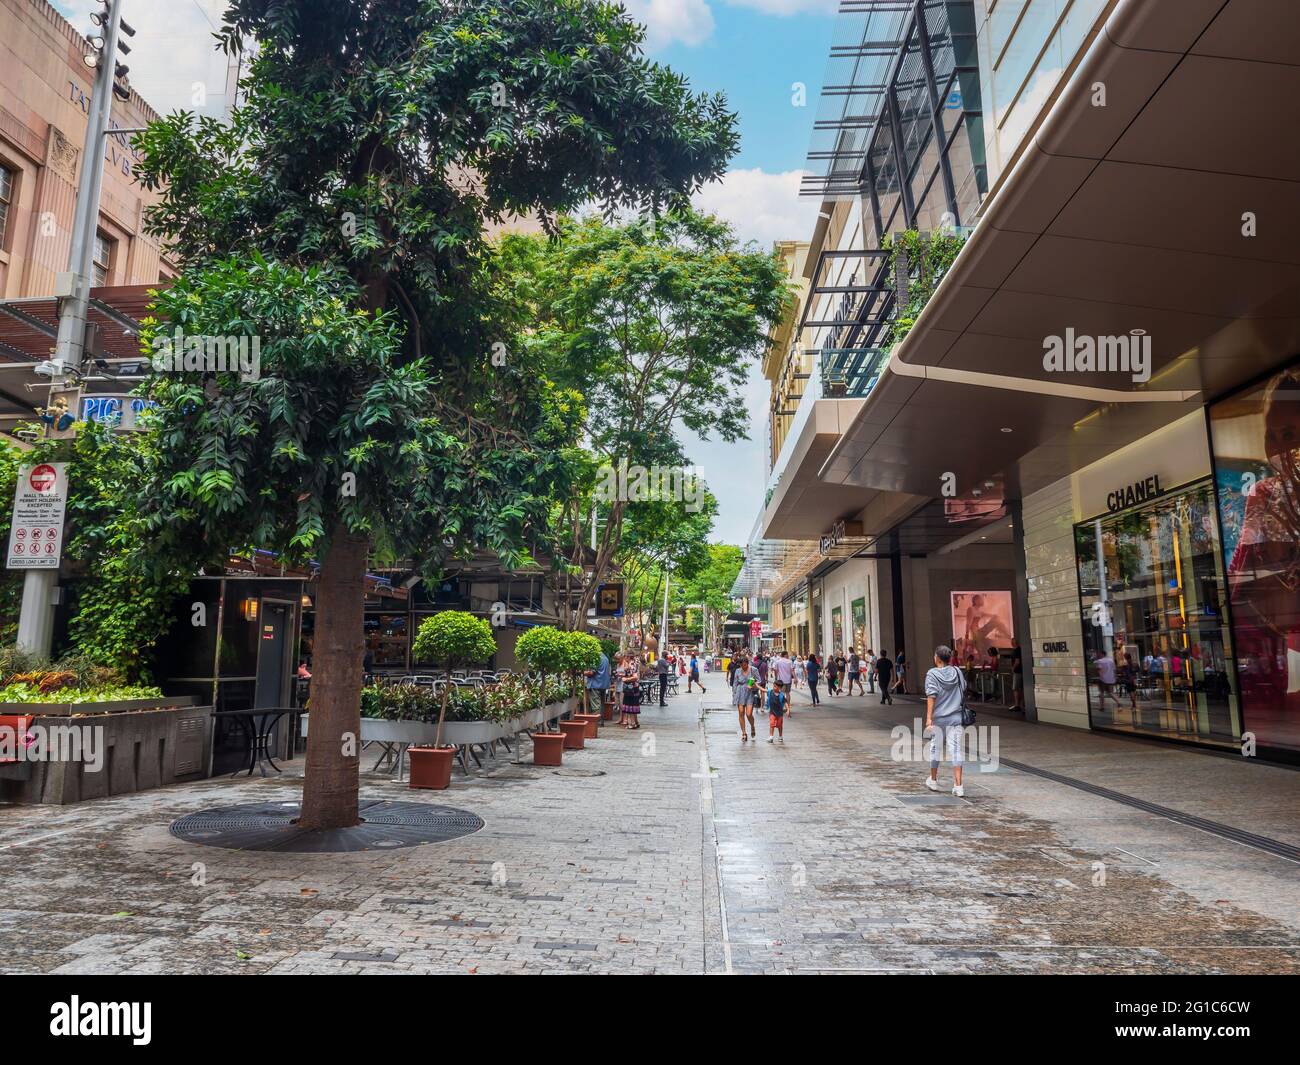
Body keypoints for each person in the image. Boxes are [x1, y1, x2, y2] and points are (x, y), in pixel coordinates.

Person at [924, 645, 968, 798]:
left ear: (937, 658)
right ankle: (958, 785)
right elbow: (964, 688)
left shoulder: (932, 674)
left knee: (935, 749)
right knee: (955, 749)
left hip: (939, 719)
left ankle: (934, 780)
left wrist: (929, 718)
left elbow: (931, 696)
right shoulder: (957, 671)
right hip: (955, 717)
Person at [732, 657, 757, 742]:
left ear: (747, 663)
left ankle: (752, 726)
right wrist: (734, 694)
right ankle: (744, 733)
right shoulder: (738, 671)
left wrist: (753, 685)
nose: (743, 667)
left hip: (749, 693)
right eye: (741, 665)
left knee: (749, 714)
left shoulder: (753, 670)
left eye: (744, 665)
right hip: (740, 692)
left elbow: (760, 680)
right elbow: (735, 683)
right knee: (741, 712)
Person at [585, 649, 611, 715]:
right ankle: (601, 721)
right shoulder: (605, 658)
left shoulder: (596, 658)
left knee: (596, 705)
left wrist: (582, 673)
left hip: (596, 684)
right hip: (604, 684)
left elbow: (591, 672)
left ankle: (596, 721)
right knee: (602, 703)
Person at [620, 657, 642, 729]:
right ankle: (635, 722)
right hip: (635, 687)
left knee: (630, 705)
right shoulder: (636, 662)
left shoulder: (631, 664)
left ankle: (632, 723)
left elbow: (635, 677)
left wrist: (626, 679)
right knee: (633, 705)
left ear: (628, 656)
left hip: (631, 688)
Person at [1010, 638, 1024, 711]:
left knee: (1015, 688)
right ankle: (1022, 704)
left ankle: (1017, 705)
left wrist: (1013, 668)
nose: (1012, 643)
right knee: (1020, 688)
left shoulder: (1016, 651)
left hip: (1017, 672)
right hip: (1021, 671)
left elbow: (1017, 661)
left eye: (1013, 642)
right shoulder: (1019, 649)